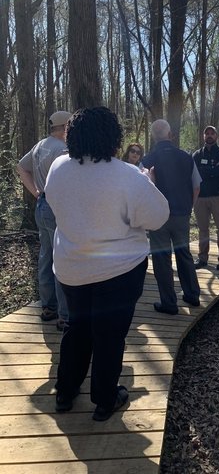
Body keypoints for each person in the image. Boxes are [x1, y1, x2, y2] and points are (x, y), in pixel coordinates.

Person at [44, 107, 169, 421]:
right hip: (119, 270)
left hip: (72, 268)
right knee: (109, 334)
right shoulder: (128, 174)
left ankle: (65, 392)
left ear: (72, 136)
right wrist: (148, 182)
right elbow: (156, 217)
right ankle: (104, 399)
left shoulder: (58, 167)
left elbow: (57, 205)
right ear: (113, 137)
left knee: (78, 328)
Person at [17, 111, 72, 331]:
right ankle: (64, 314)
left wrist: (37, 193)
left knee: (46, 256)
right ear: (65, 127)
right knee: (61, 259)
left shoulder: (40, 146)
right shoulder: (63, 150)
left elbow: (21, 168)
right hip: (57, 207)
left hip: (42, 205)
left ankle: (48, 306)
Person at [142, 119, 201, 315]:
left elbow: (142, 189)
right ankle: (192, 294)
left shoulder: (147, 160)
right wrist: (188, 207)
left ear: (154, 136)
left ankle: (169, 302)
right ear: (170, 135)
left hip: (158, 216)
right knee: (184, 254)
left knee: (161, 258)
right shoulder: (186, 157)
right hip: (181, 214)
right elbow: (196, 186)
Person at [192, 125, 219, 271]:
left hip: (218, 196)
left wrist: (205, 171)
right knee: (203, 229)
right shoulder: (196, 155)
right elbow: (194, 173)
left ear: (216, 136)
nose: (209, 135)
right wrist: (211, 170)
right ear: (203, 136)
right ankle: (202, 258)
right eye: (206, 133)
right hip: (200, 197)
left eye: (212, 133)